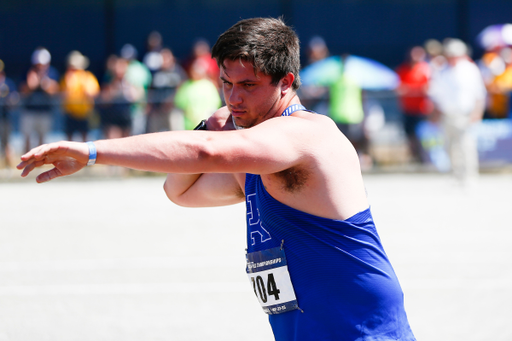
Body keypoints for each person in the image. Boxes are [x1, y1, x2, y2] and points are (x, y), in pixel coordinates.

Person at [17, 17, 416, 341]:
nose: (233, 98)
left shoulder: (306, 134)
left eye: (247, 86)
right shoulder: (253, 155)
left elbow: (205, 153)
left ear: (286, 83)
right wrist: (210, 125)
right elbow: (181, 191)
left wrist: (91, 152)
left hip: (361, 331)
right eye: (226, 83)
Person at [428, 38, 487, 186]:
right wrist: (435, 113)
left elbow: (479, 93)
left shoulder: (470, 69)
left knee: (466, 145)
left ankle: (470, 175)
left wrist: (477, 112)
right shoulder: (442, 70)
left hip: (464, 113)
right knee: (449, 146)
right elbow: (436, 94)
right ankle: (456, 175)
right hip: (447, 114)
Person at [396, 46, 433, 163]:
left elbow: (428, 88)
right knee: (409, 134)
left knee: (423, 133)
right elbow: (399, 88)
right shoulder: (403, 69)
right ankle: (414, 156)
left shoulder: (426, 69)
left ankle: (424, 156)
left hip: (422, 109)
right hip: (408, 108)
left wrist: (412, 90)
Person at [19, 47, 59, 153]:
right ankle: (27, 161)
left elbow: (54, 91)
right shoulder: (28, 72)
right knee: (27, 138)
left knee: (42, 140)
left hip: (45, 111)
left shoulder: (52, 72)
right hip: (29, 111)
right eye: (38, 64)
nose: (40, 67)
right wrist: (31, 85)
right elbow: (23, 92)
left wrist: (45, 84)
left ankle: (40, 163)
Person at [60, 51, 100, 141]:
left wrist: (84, 86)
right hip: (70, 113)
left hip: (84, 114)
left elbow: (93, 93)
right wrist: (68, 84)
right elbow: (63, 95)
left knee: (85, 139)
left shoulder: (88, 77)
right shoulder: (66, 78)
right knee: (69, 139)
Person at [146, 48, 187, 133]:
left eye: (166, 57)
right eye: (162, 58)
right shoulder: (156, 73)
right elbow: (151, 90)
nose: (164, 60)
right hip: (158, 110)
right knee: (156, 135)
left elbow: (182, 88)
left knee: (176, 134)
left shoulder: (178, 71)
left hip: (173, 110)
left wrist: (171, 100)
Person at [174, 58, 221, 130]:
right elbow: (180, 104)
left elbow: (215, 104)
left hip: (206, 125)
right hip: (189, 125)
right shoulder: (186, 85)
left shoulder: (209, 85)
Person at [0, 60, 19, 168]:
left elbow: (15, 99)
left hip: (4, 118)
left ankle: (8, 168)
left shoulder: (7, 83)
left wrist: (9, 99)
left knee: (6, 143)